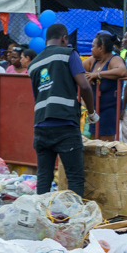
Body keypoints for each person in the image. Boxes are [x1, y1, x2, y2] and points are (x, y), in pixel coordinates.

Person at [27, 24, 97, 197]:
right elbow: (85, 86)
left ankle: (41, 216)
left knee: (43, 176)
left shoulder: (34, 64)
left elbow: (39, 95)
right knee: (74, 178)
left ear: (45, 41)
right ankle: (74, 219)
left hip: (41, 125)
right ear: (65, 38)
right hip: (65, 124)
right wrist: (92, 113)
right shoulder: (67, 54)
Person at [84, 32, 127, 141]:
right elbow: (78, 69)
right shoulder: (93, 60)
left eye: (93, 46)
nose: (91, 49)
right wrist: (86, 77)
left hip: (109, 108)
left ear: (101, 48)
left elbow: (122, 71)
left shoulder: (114, 59)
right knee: (94, 140)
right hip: (94, 108)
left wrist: (98, 75)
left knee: (105, 144)